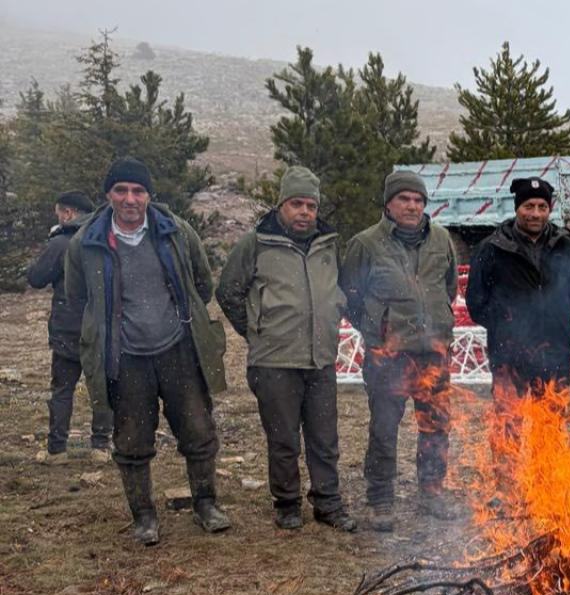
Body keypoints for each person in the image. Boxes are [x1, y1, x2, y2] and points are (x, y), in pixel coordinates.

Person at [64, 157, 230, 546]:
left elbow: (201, 285)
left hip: (177, 350)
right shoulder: (85, 243)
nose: (130, 199)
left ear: (149, 195)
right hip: (125, 358)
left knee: (198, 429)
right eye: (120, 190)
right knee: (132, 441)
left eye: (138, 191)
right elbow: (78, 297)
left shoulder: (176, 231)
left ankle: (206, 504)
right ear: (108, 195)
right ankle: (143, 516)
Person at [217, 166, 356, 532]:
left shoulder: (329, 244)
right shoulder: (256, 242)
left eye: (310, 205)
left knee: (325, 438)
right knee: (283, 439)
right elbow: (228, 292)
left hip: (321, 357)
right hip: (274, 361)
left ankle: (327, 502)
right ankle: (287, 503)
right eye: (297, 204)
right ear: (282, 204)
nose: (305, 212)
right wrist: (257, 331)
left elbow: (337, 289)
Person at [341, 170, 459, 532]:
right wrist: (379, 330)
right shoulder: (366, 244)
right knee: (384, 429)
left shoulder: (441, 240)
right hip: (388, 357)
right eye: (404, 199)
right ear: (388, 204)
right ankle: (380, 499)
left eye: (418, 200)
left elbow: (449, 288)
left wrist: (437, 323)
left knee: (436, 427)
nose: (412, 206)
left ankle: (431, 491)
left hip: (433, 354)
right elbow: (350, 296)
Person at [466, 177, 570, 397]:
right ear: (517, 208)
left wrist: (552, 317)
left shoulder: (566, 246)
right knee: (509, 423)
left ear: (550, 209)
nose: (535, 214)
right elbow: (476, 302)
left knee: (551, 420)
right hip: (509, 354)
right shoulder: (491, 248)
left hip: (555, 350)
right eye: (528, 206)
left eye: (542, 207)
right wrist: (507, 324)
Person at [27, 190, 112, 465]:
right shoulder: (107, 238)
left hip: (67, 328)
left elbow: (37, 278)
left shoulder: (61, 242)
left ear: (68, 213)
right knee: (102, 388)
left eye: (59, 213)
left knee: (62, 389)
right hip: (101, 327)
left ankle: (57, 450)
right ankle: (101, 447)